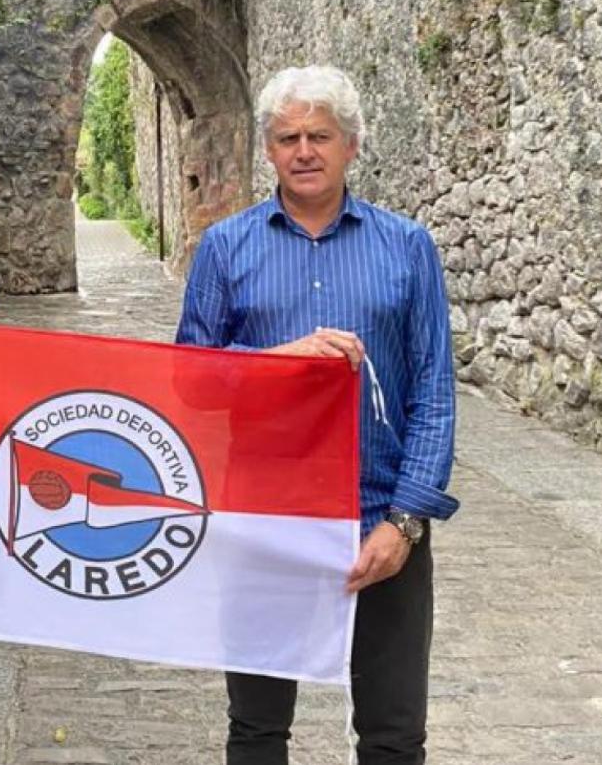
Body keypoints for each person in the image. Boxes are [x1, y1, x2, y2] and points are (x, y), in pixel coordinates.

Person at [175, 65, 458, 764]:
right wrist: (280, 359)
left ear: (351, 145)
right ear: (267, 149)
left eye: (320, 136)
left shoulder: (407, 247)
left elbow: (434, 390)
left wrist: (405, 522)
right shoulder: (225, 248)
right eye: (287, 137)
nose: (304, 150)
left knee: (394, 737)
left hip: (380, 521)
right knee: (258, 731)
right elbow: (191, 380)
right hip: (266, 524)